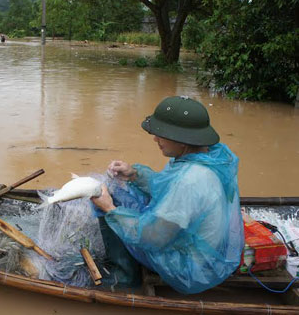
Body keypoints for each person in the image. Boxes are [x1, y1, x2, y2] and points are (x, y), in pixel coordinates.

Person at [91, 96, 244, 294]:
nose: (155, 139)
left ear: (182, 140)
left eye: (161, 135)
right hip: (205, 247)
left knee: (106, 203)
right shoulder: (209, 156)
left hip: (189, 267)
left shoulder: (189, 182)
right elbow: (164, 186)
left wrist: (109, 209)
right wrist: (134, 174)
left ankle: (125, 278)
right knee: (119, 194)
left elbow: (151, 236)